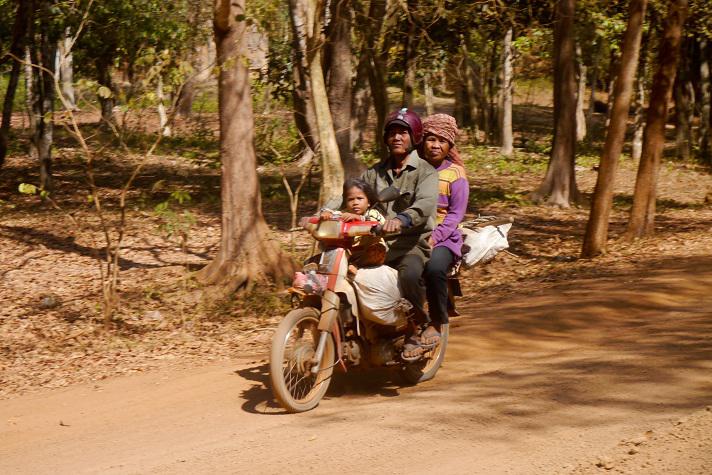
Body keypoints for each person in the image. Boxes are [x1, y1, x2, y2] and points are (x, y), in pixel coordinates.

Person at [361, 108, 438, 359]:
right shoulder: (373, 173)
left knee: (410, 274)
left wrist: (402, 219)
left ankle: (416, 328)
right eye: (392, 132)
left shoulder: (426, 171)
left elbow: (425, 204)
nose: (396, 137)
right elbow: (352, 194)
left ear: (414, 137)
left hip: (410, 242)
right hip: (376, 243)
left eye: (402, 133)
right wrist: (326, 213)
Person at [419, 114, 469, 347]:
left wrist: (435, 237)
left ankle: (437, 321)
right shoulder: (413, 169)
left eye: (442, 141)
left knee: (434, 268)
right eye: (431, 139)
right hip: (413, 233)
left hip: (445, 238)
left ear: (450, 146)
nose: (435, 145)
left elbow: (455, 215)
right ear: (423, 142)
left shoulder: (456, 174)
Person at [320, 178, 386, 270]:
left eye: (359, 198)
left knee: (375, 249)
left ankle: (354, 266)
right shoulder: (343, 214)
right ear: (345, 202)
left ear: (368, 202)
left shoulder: (372, 213)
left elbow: (381, 223)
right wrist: (327, 214)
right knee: (330, 250)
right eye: (350, 199)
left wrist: (359, 218)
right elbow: (333, 215)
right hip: (349, 251)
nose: (355, 203)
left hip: (368, 251)